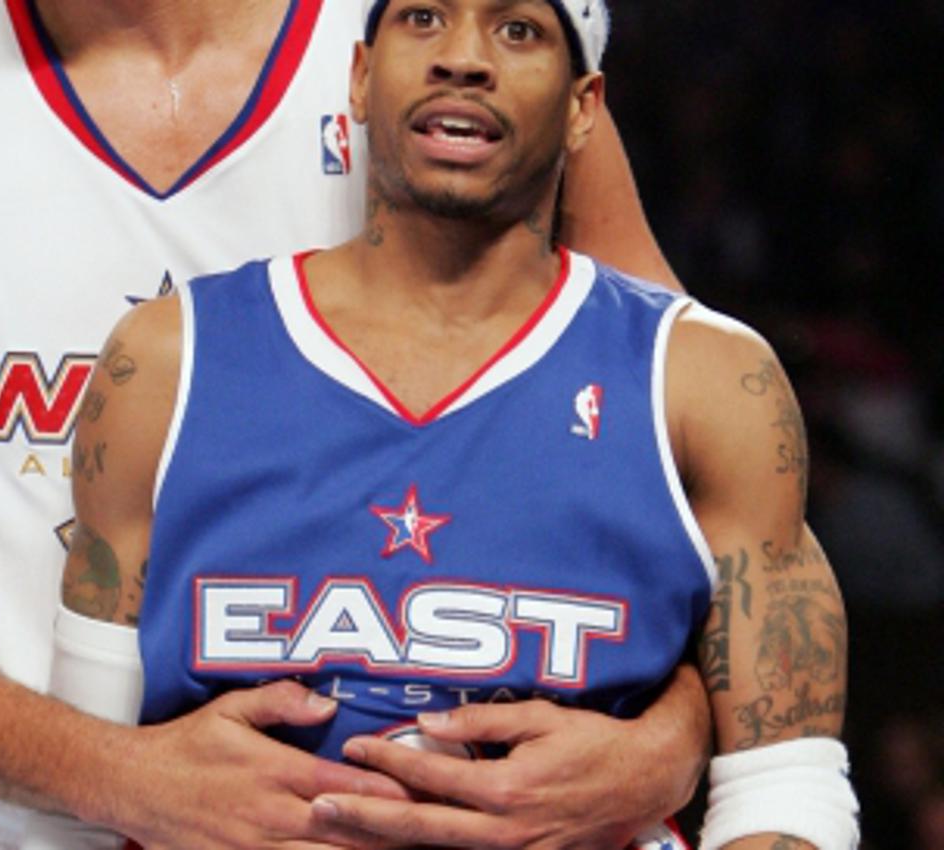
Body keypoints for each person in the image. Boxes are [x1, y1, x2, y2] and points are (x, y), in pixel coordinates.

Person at [0, 0, 711, 847]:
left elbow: (718, 480)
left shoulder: (437, 48)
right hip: (23, 813)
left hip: (461, 805)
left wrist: (666, 747)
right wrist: (122, 779)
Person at [46, 0, 860, 847]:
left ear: (583, 108)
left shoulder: (705, 380)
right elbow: (85, 800)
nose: (463, 58)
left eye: (518, 30)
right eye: (424, 17)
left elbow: (784, 789)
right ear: (361, 78)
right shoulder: (169, 362)